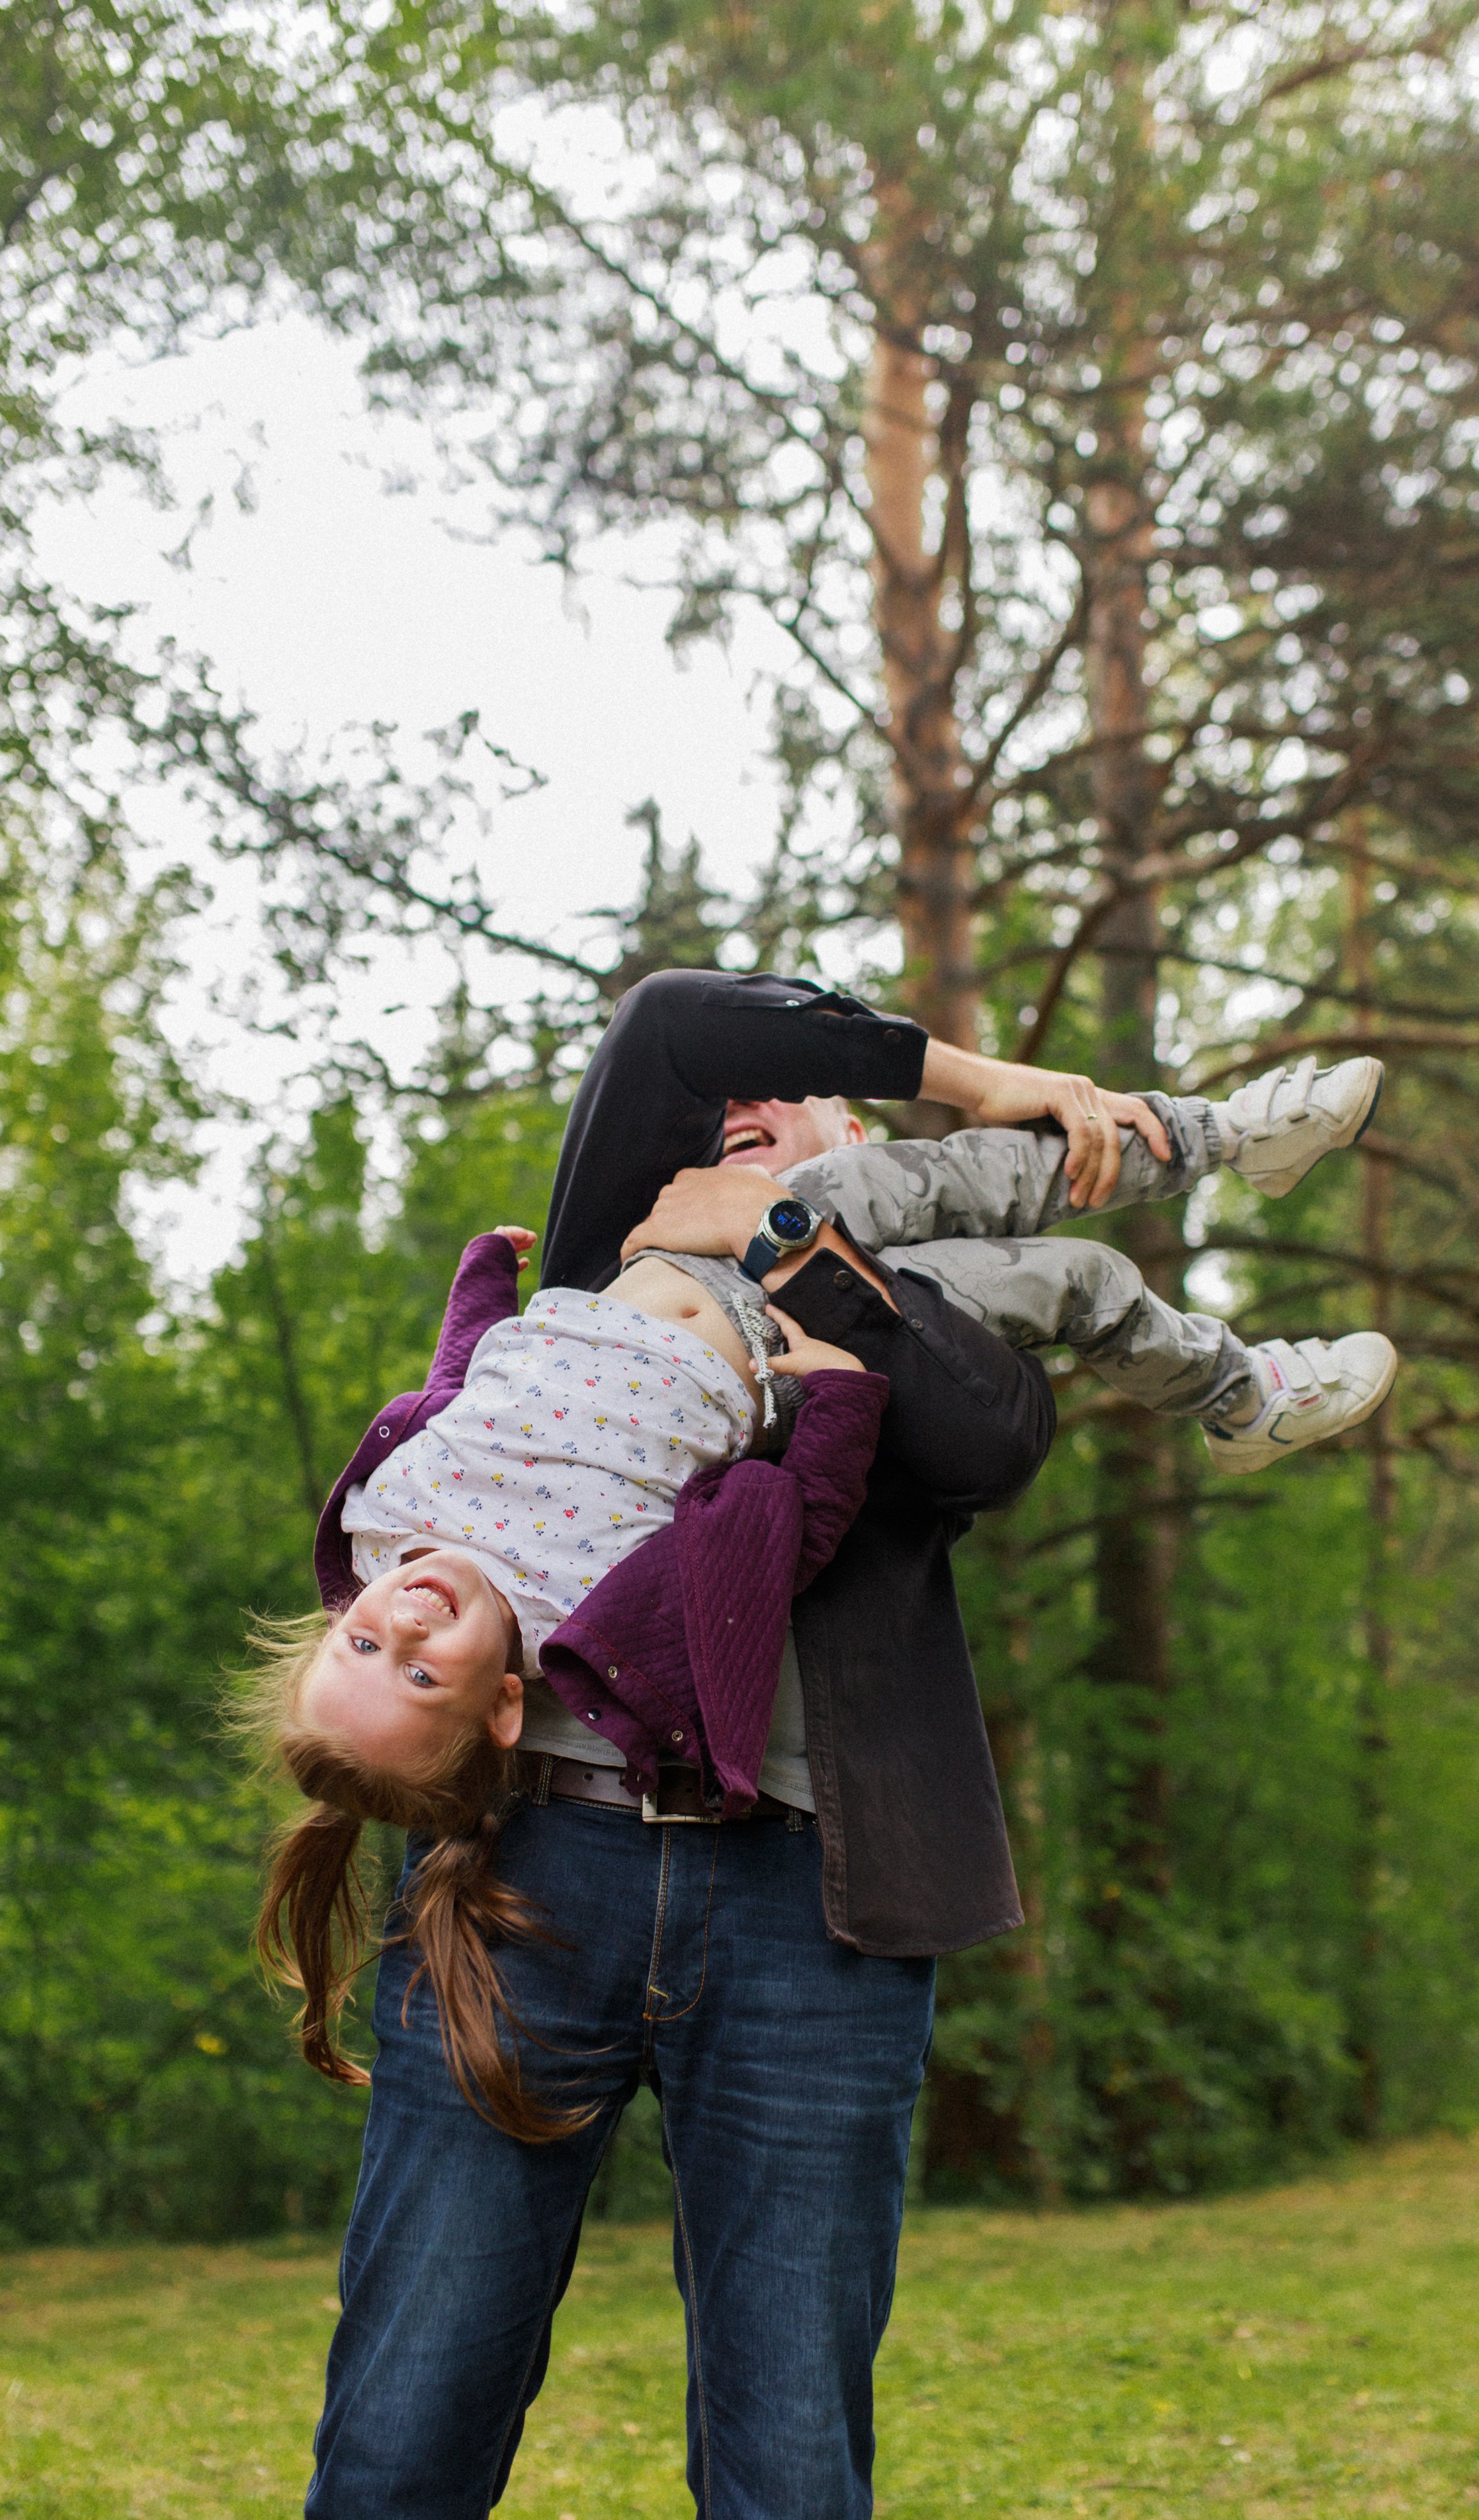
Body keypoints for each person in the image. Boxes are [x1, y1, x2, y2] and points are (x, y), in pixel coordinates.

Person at [278, 973, 1381, 2520]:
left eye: (791, 1110)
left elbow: (985, 1442)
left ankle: (1232, 1308)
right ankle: (1211, 1152)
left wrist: (795, 1243)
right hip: (519, 1879)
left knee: (789, 2452)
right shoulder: (616, 1250)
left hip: (813, 1902)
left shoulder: (913, 1288)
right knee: (406, 2416)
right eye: (736, 1117)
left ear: (854, 1131)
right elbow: (676, 1023)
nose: (752, 1123)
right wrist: (992, 1082)